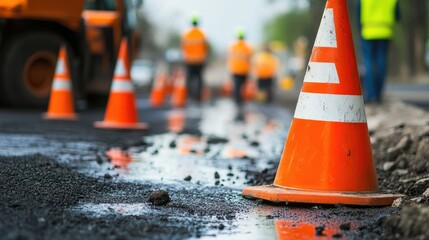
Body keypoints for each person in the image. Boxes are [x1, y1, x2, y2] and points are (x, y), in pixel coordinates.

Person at [358, 0, 400, 103]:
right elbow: (397, 15)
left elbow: (358, 12)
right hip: (385, 31)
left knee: (369, 63)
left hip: (368, 31)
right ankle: (378, 93)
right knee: (381, 61)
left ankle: (371, 95)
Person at [181, 16, 207, 102]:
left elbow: (183, 48)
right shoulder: (202, 34)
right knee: (199, 79)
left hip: (189, 61)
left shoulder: (186, 34)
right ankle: (198, 97)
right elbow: (205, 48)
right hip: (199, 61)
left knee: (189, 79)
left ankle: (189, 97)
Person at [227, 30, 253, 105]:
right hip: (244, 70)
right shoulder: (247, 46)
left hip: (235, 70)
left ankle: (237, 101)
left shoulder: (233, 46)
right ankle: (243, 100)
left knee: (237, 86)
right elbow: (249, 57)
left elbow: (230, 58)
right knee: (244, 86)